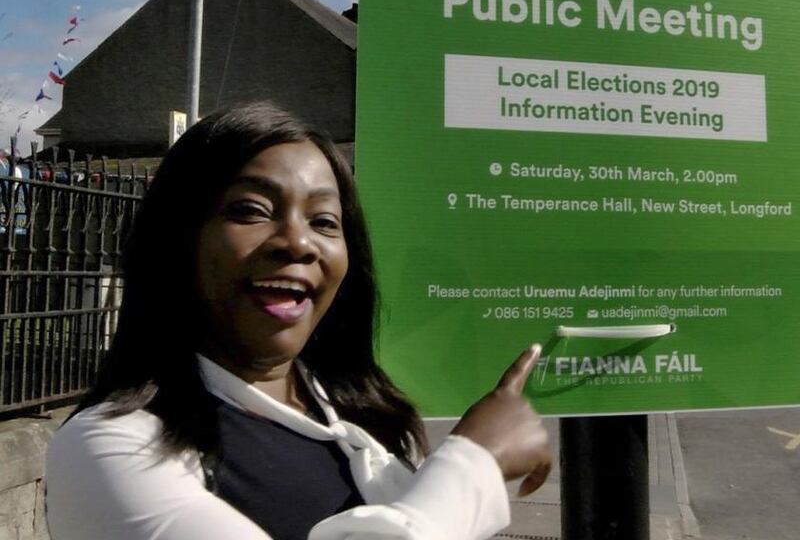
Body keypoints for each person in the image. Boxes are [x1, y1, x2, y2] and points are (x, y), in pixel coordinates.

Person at [46, 101, 551, 540]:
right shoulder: (112, 448)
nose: (298, 242)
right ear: (177, 238)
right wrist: (473, 466)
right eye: (251, 209)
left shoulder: (368, 421)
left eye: (324, 222)